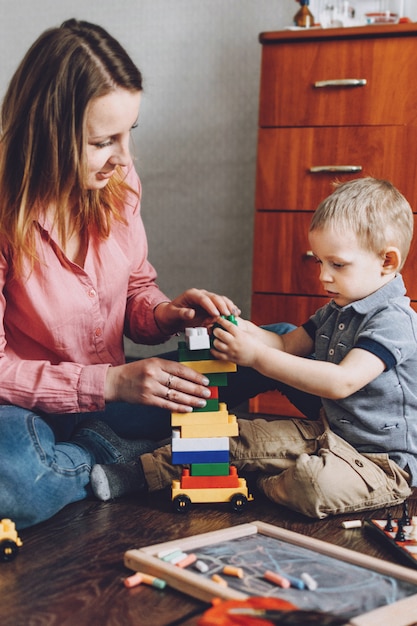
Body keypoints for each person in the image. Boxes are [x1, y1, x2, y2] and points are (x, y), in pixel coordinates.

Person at [0, 19, 240, 529]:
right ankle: (116, 456)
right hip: (25, 410)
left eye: (130, 133)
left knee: (272, 342)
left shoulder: (118, 179)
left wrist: (165, 312)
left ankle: (91, 456)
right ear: (48, 133)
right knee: (12, 481)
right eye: (103, 141)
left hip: (113, 397)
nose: (125, 159)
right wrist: (109, 383)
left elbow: (133, 288)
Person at [113, 177, 417, 519]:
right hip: (326, 435)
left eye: (338, 264)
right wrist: (242, 330)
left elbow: (341, 381)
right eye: (320, 262)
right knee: (233, 436)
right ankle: (136, 472)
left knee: (311, 484)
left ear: (387, 262)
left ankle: (259, 478)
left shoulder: (394, 322)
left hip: (380, 464)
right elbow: (286, 343)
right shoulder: (337, 308)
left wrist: (257, 357)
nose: (323, 277)